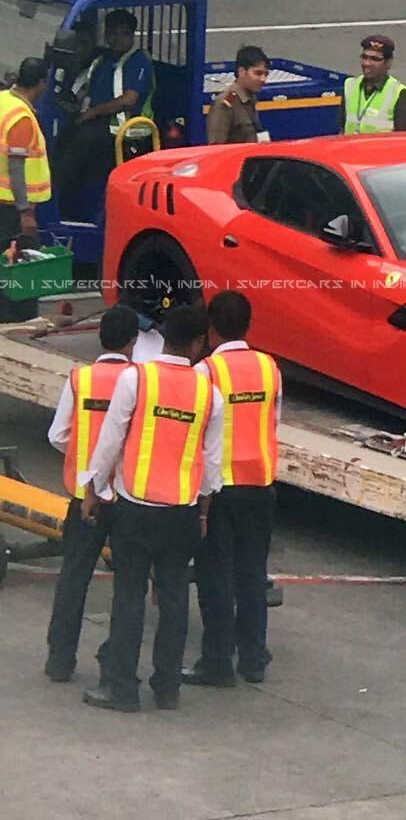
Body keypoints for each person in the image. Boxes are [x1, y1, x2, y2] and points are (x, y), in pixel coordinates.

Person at [79, 305, 223, 712]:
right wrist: (203, 510)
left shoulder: (136, 379)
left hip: (135, 508)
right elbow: (212, 464)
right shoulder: (208, 394)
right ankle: (168, 687)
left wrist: (93, 489)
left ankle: (122, 688)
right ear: (199, 344)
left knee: (129, 597)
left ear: (162, 336)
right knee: (175, 597)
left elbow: (110, 442)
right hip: (181, 510)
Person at [183, 291, 281, 687]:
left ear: (210, 328)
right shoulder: (269, 367)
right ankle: (253, 658)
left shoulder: (206, 372)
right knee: (252, 575)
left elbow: (199, 433)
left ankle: (217, 660)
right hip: (260, 483)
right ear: (248, 325)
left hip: (219, 488)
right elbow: (274, 421)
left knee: (215, 576)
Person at [44, 305, 139, 682]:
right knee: (128, 583)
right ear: (133, 342)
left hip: (85, 496)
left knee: (73, 578)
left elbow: (57, 435)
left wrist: (83, 461)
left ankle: (60, 660)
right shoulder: (139, 381)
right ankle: (114, 660)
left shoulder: (80, 379)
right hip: (128, 496)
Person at [55, 9, 155, 219]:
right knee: (61, 136)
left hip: (123, 127)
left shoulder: (138, 60)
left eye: (124, 33)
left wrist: (92, 113)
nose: (117, 39)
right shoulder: (103, 60)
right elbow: (86, 90)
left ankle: (58, 203)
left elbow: (129, 98)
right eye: (113, 33)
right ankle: (67, 201)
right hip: (97, 120)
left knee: (77, 147)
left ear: (132, 35)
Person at [0, 57, 51, 255]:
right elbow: (16, 168)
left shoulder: (3, 99)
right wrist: (25, 213)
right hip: (8, 206)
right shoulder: (21, 117)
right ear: (41, 84)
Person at [340, 34, 406, 134]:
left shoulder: (399, 94)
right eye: (364, 57)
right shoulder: (349, 86)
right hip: (351, 149)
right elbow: (342, 129)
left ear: (388, 63)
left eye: (375, 59)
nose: (367, 63)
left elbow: (405, 139)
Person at [207, 45, 271, 145]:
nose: (263, 79)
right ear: (242, 72)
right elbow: (216, 146)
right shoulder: (226, 103)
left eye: (266, 74)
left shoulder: (250, 99)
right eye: (258, 73)